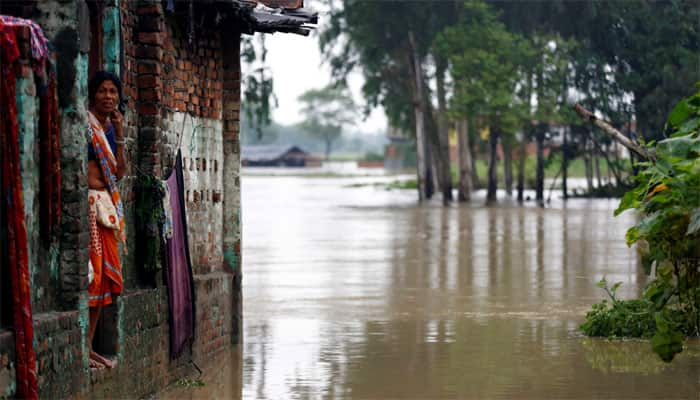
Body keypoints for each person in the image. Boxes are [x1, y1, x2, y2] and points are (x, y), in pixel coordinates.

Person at [86, 71, 127, 369]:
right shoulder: (85, 126)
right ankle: (83, 347)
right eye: (103, 91)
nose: (108, 96)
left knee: (106, 284)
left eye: (113, 91)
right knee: (93, 278)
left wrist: (122, 136)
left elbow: (119, 173)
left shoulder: (111, 130)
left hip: (106, 209)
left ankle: (88, 347)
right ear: (93, 94)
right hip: (88, 206)